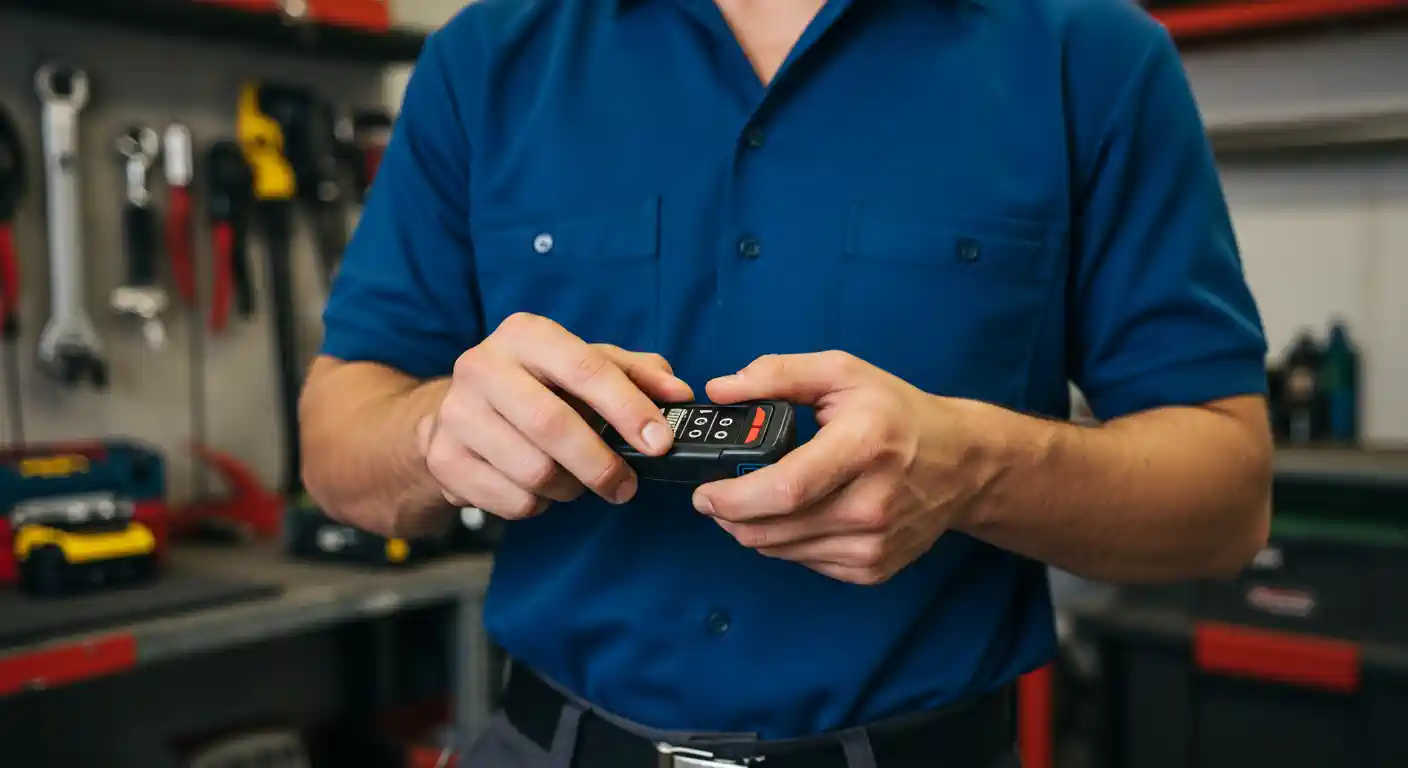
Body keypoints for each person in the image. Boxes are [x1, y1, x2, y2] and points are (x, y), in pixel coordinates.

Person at [300, 0, 1274, 765]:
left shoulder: (1092, 54)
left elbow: (1227, 499)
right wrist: (435, 431)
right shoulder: (483, 61)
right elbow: (338, 447)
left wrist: (975, 470)